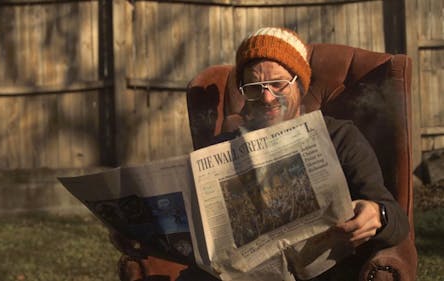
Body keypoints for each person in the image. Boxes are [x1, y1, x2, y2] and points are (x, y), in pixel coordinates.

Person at [117, 27, 410, 281]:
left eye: (278, 84)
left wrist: (377, 214)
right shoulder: (220, 149)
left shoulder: (341, 137)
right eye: (254, 88)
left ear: (300, 83)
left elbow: (396, 218)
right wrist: (145, 237)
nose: (267, 97)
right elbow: (193, 233)